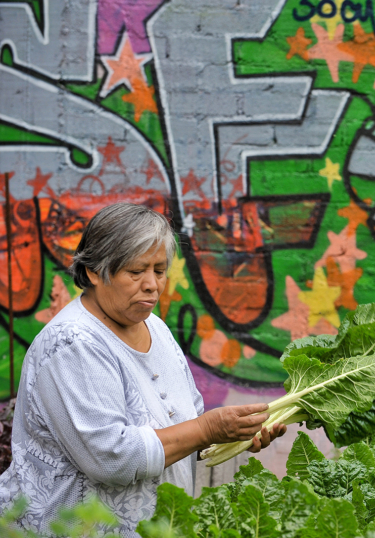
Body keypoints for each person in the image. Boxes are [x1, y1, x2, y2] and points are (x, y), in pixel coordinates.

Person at [0, 203, 286, 536]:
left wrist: (233, 437)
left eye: (160, 270)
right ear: (94, 272)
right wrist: (207, 430)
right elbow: (113, 457)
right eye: (136, 272)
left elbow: (181, 428)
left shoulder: (157, 329)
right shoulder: (73, 343)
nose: (152, 285)